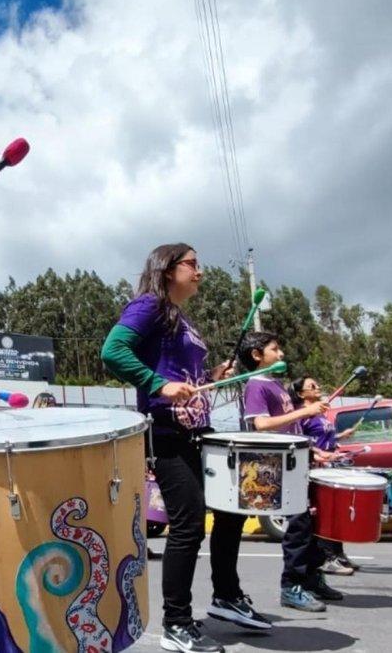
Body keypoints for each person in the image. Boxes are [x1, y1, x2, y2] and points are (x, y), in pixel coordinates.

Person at [101, 243, 258, 653]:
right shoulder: (149, 305)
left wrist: (211, 375)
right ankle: (176, 623)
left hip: (195, 430)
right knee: (187, 525)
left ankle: (226, 597)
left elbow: (181, 374)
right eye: (192, 264)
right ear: (168, 269)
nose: (199, 271)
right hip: (167, 431)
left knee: (230, 510)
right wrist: (157, 384)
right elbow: (112, 351)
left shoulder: (179, 317)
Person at [240, 332, 343, 612]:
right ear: (257, 355)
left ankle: (311, 577)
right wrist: (305, 412)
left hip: (297, 460)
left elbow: (291, 429)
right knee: (297, 527)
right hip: (280, 465)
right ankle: (291, 586)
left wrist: (313, 451)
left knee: (311, 524)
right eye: (275, 349)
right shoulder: (256, 385)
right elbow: (261, 424)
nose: (281, 353)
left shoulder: (275, 384)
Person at [288, 378, 359, 575]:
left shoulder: (319, 413)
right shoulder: (302, 414)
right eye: (312, 386)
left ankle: (338, 554)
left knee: (335, 512)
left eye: (317, 384)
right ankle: (327, 558)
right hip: (314, 467)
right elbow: (303, 440)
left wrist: (340, 437)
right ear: (301, 394)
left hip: (328, 465)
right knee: (324, 513)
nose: (318, 387)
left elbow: (323, 437)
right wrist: (320, 454)